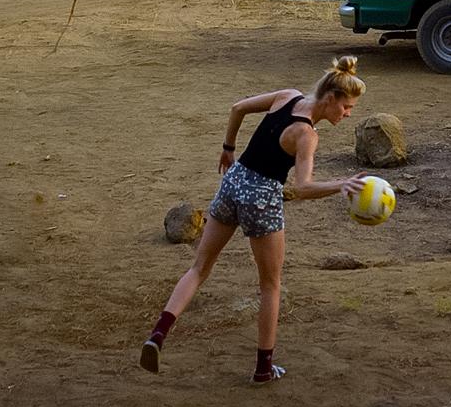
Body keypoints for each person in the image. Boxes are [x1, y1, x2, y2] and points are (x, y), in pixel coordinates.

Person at [140, 55, 369, 383]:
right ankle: (263, 368)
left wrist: (228, 147)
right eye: (347, 107)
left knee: (199, 268)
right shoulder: (307, 135)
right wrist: (341, 185)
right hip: (261, 197)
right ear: (330, 98)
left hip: (233, 182)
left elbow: (238, 108)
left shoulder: (286, 96)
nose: (347, 115)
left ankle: (158, 335)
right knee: (270, 285)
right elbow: (302, 188)